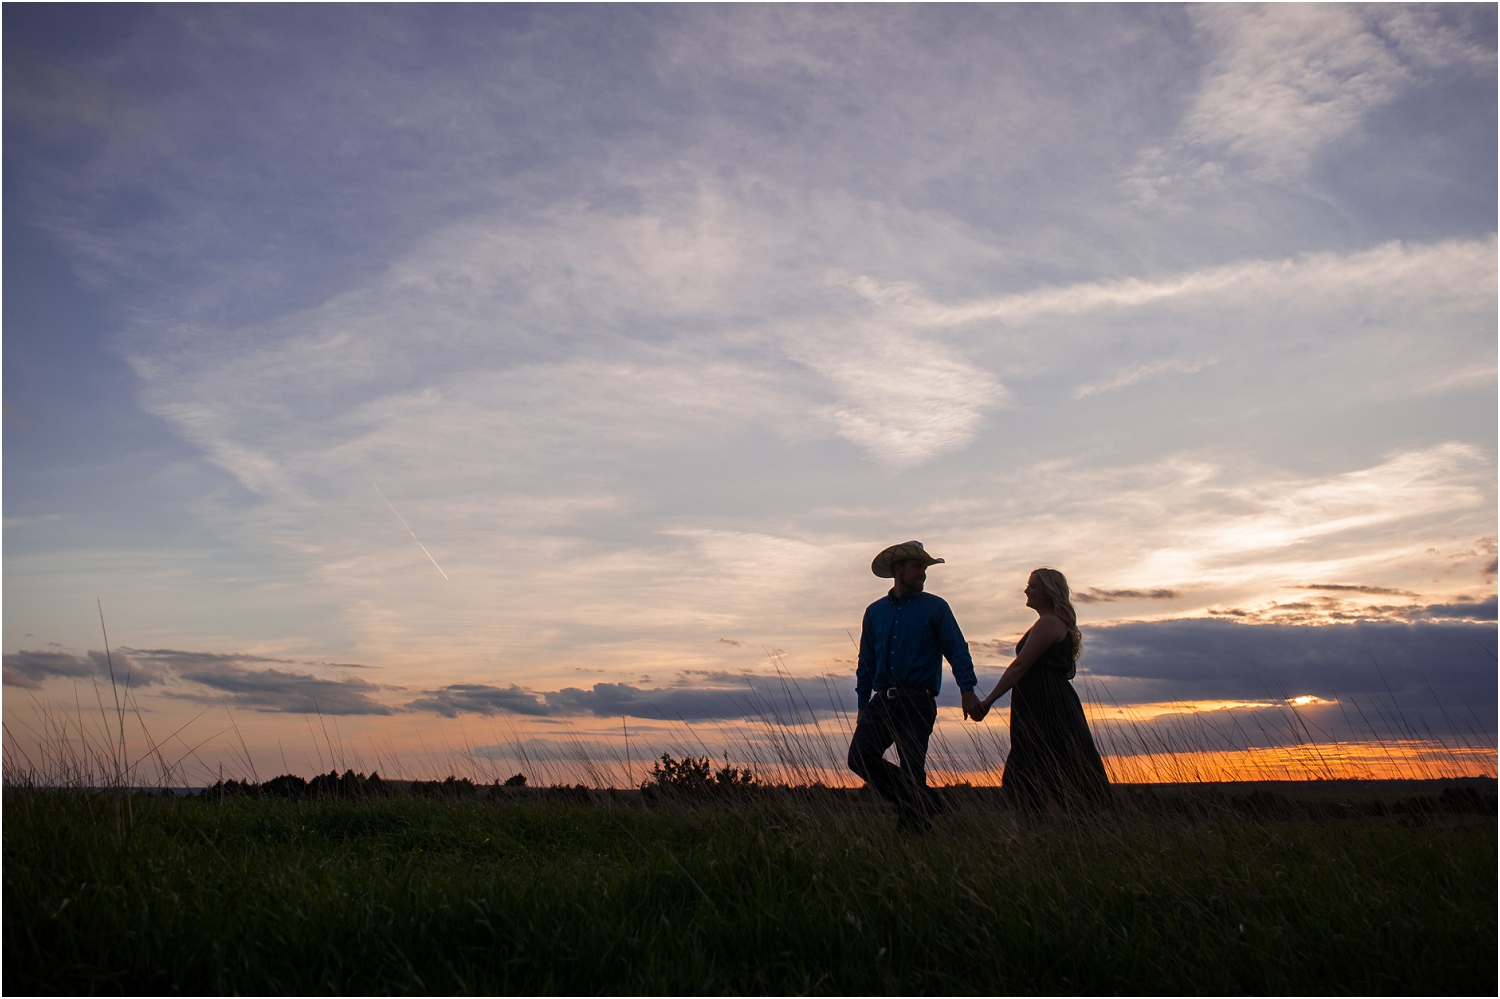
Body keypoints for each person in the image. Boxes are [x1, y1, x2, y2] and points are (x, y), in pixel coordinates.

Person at [848, 540, 981, 831]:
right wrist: (861, 704)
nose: (923, 573)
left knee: (911, 766)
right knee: (859, 757)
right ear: (899, 569)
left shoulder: (936, 607)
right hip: (881, 701)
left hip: (917, 701)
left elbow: (956, 648)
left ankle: (913, 831)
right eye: (917, 567)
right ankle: (925, 802)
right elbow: (866, 661)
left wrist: (967, 688)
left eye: (924, 568)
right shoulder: (875, 612)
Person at [969, 568, 1110, 815]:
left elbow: (1022, 665)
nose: (1027, 590)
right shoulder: (1052, 622)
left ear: (1049, 591)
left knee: (1040, 770)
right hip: (1043, 701)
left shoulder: (1049, 622)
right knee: (1047, 770)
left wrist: (989, 700)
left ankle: (1057, 829)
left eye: (1033, 586)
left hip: (1045, 704)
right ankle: (1060, 830)